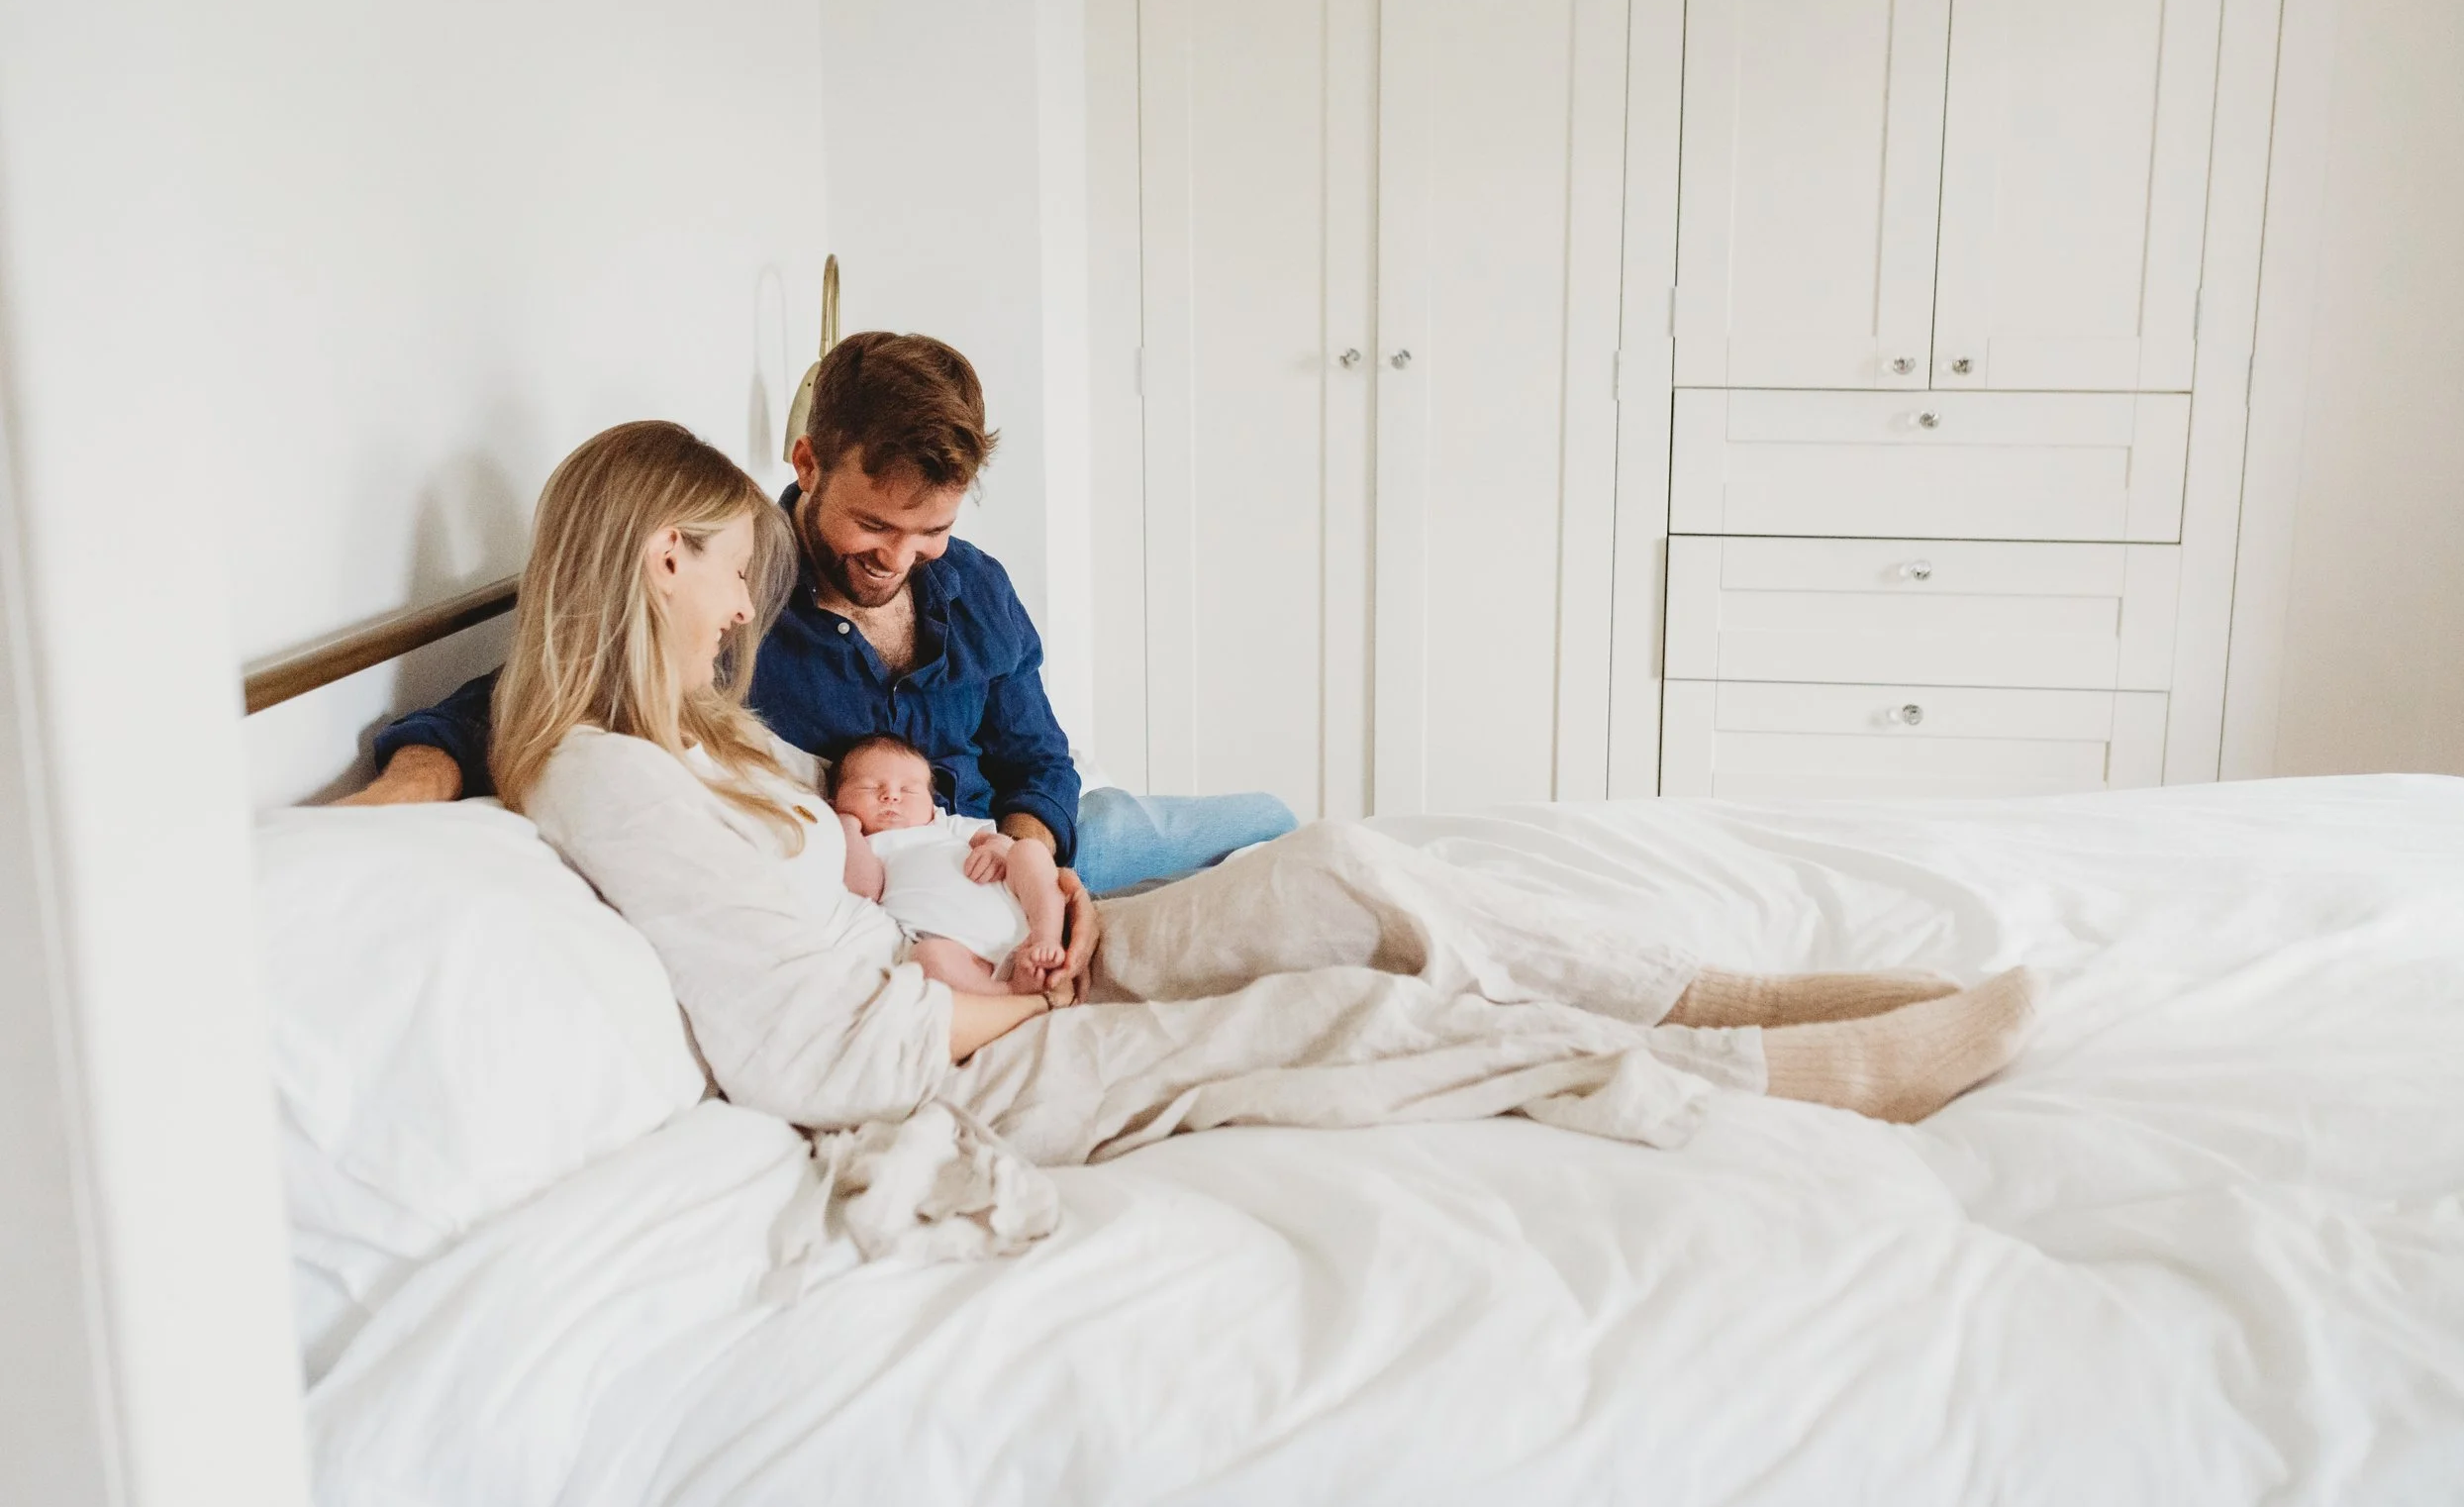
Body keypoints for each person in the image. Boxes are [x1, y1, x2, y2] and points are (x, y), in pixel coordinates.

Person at [491, 419, 2044, 1171]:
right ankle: (1785, 1078)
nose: (747, 592)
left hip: (1007, 948)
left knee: (1338, 870)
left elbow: (1009, 777)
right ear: (659, 557)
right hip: (968, 1058)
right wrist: (1027, 1008)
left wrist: (1034, 876)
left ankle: (1725, 993)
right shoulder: (605, 778)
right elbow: (808, 1043)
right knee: (1358, 1014)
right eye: (727, 561)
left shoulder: (702, 731)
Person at [339, 330, 1296, 896]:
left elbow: (1038, 759)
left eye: (931, 531)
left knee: (1274, 820)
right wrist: (409, 783)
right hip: (878, 889)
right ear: (807, 465)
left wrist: (1035, 860)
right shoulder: (727, 595)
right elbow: (526, 693)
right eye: (875, 523)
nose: (900, 558)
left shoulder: (979, 588)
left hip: (997, 854)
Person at [830, 732, 1067, 998]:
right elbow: (865, 889)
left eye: (908, 789)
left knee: (1028, 850)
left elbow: (993, 839)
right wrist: (846, 826)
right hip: (958, 951)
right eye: (870, 788)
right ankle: (1008, 991)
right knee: (927, 958)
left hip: (1014, 908)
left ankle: (1047, 935)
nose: (891, 796)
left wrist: (996, 848)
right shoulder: (864, 845)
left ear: (931, 803)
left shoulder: (942, 824)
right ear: (835, 801)